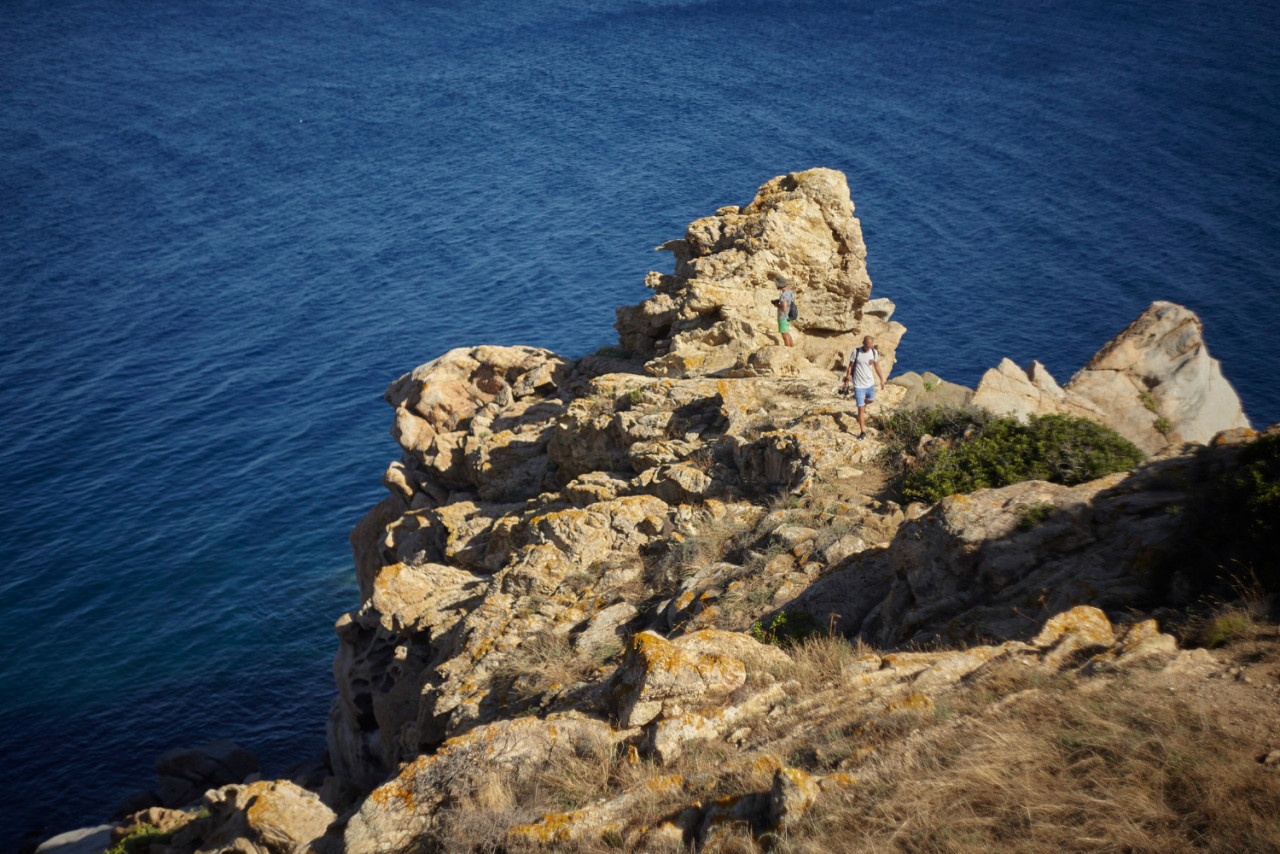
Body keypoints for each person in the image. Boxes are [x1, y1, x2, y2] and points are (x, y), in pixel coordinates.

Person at [841, 335, 884, 439]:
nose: (867, 348)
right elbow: (850, 366)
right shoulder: (856, 352)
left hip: (869, 383)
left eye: (869, 346)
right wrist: (847, 377)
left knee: (871, 400)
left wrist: (882, 379)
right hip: (858, 385)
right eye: (866, 346)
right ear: (863, 343)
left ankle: (862, 404)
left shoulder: (874, 352)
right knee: (861, 409)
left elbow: (876, 366)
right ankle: (862, 431)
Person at [774, 277, 795, 347]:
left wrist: (777, 305)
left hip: (783, 317)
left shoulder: (783, 295)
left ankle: (788, 350)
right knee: (787, 332)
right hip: (789, 315)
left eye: (776, 284)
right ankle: (792, 348)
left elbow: (784, 309)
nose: (776, 285)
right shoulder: (790, 292)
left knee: (784, 334)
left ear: (779, 285)